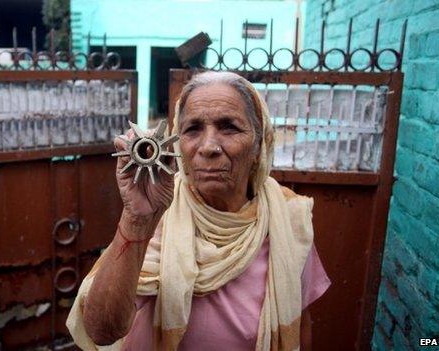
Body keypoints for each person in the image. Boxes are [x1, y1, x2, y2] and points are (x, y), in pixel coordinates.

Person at [66, 71, 331, 350]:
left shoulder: (287, 219)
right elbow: (102, 331)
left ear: (259, 143)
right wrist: (137, 218)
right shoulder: (158, 215)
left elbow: (300, 322)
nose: (208, 147)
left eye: (229, 127)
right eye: (192, 129)